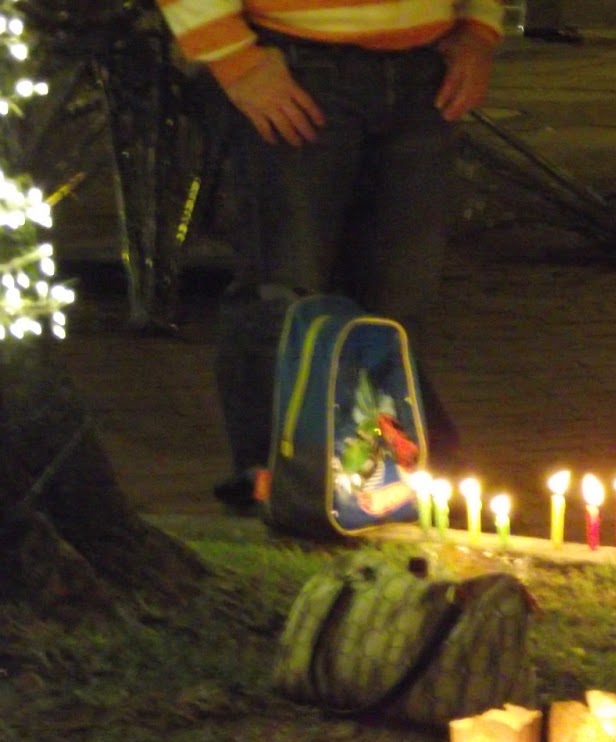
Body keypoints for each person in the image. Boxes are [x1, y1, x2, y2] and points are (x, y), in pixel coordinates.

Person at [155, 0, 502, 511]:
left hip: (427, 67)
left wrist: (478, 29)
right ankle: (279, 482)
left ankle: (375, 483)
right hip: (295, 62)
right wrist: (236, 60)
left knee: (397, 297)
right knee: (286, 290)